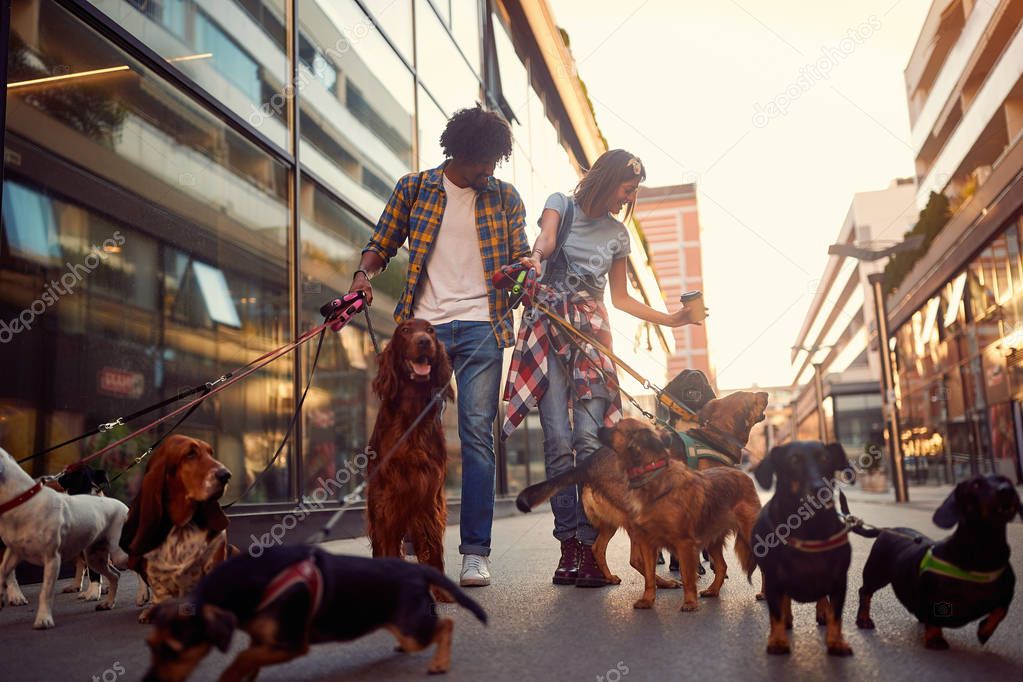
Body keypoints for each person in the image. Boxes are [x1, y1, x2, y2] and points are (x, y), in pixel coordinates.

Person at [350, 106, 536, 587]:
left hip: (482, 327)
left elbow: (520, 257)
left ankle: (474, 552)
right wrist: (362, 277)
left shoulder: (505, 197)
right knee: (403, 432)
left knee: (476, 434)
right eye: (484, 161)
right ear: (460, 151)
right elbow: (382, 241)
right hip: (424, 330)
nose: (490, 170)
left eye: (496, 161)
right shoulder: (415, 188)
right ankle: (408, 534)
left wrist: (521, 272)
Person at [503, 149, 707, 586]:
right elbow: (546, 243)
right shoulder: (561, 203)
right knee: (557, 440)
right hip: (548, 328)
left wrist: (673, 319)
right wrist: (534, 260)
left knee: (591, 443)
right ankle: (569, 548)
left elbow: (621, 299)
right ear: (608, 178)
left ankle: (590, 547)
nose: (628, 198)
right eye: (627, 189)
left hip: (593, 335)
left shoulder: (618, 234)